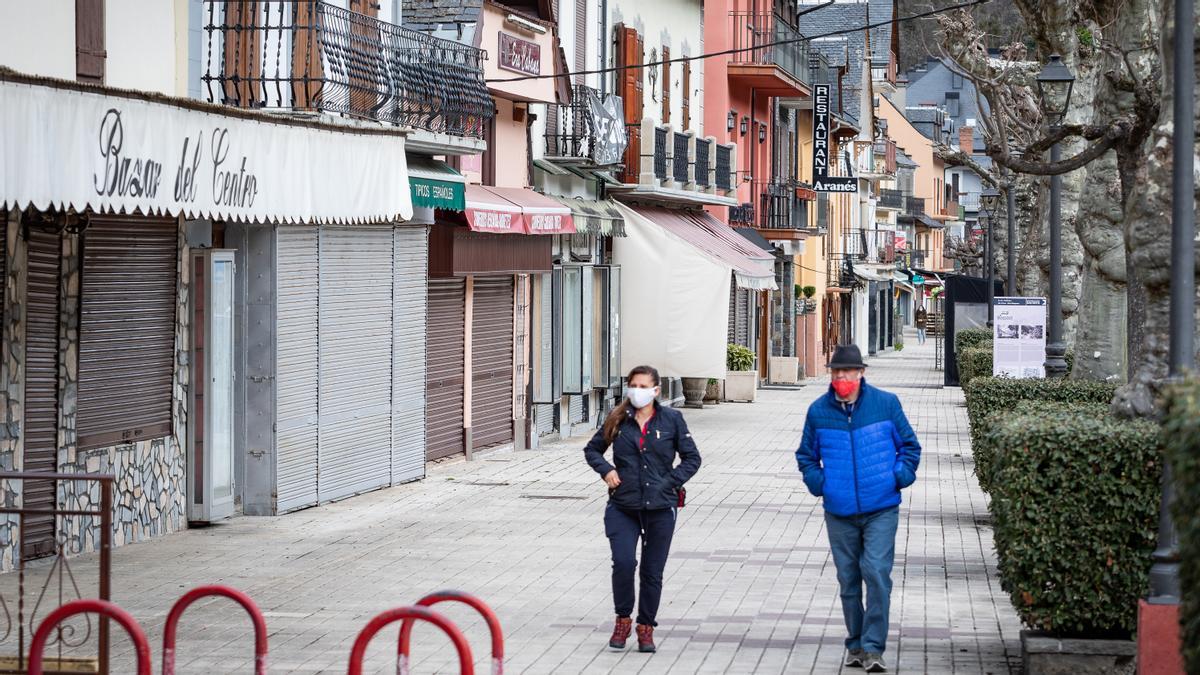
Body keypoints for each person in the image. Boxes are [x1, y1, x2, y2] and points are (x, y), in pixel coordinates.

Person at [795, 345, 921, 673]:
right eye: (836, 371)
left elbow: (910, 446)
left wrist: (899, 476)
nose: (841, 377)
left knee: (876, 573)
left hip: (881, 507)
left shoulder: (886, 404)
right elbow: (806, 455)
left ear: (861, 372)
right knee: (848, 579)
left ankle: (873, 648)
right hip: (839, 511)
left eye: (847, 371)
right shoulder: (818, 411)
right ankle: (855, 642)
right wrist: (820, 483)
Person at [584, 365, 702, 654]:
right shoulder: (617, 419)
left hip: (661, 507)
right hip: (623, 504)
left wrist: (670, 483)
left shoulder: (672, 420)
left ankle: (645, 627)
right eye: (632, 385)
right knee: (624, 563)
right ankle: (623, 619)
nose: (637, 391)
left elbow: (692, 459)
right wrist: (606, 470)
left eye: (642, 386)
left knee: (652, 571)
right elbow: (592, 449)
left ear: (656, 390)